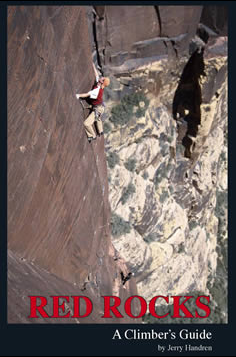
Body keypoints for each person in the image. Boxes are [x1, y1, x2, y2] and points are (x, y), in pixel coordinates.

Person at [76, 63, 110, 143]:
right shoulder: (99, 85)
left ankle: (92, 136)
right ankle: (100, 131)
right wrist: (92, 64)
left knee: (87, 123)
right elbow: (96, 74)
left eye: (103, 79)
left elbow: (87, 94)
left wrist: (78, 95)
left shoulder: (97, 90)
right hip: (100, 107)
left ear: (102, 82)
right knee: (97, 118)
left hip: (98, 108)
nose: (101, 78)